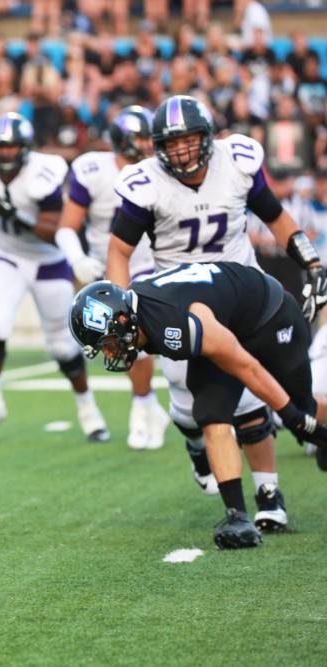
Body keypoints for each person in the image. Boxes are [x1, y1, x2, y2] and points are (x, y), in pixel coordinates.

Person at [107, 94, 327, 526]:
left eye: (189, 140)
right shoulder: (145, 183)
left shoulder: (237, 161)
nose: (182, 151)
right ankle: (196, 442)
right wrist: (123, 305)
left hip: (242, 291)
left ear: (207, 137)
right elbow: (119, 250)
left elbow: (277, 217)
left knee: (246, 400)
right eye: (171, 144)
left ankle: (268, 494)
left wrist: (312, 262)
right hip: (177, 299)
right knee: (191, 408)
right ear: (157, 147)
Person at [70, 263, 327, 548]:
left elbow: (247, 367)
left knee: (305, 410)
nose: (108, 352)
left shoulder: (173, 322)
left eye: (106, 343)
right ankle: (237, 517)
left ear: (120, 319)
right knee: (210, 414)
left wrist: (293, 417)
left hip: (268, 314)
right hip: (222, 323)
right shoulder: (142, 316)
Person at [0, 112, 108, 443]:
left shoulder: (45, 171)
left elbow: (56, 231)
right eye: (0, 147)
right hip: (6, 254)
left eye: (12, 147)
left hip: (48, 260)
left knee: (62, 345)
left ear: (25, 149)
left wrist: (19, 217)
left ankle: (88, 409)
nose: (6, 154)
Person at [55, 106, 169, 450]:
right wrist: (77, 259)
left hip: (151, 263)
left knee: (141, 338)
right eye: (140, 137)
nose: (146, 144)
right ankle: (146, 406)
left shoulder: (160, 170)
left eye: (148, 137)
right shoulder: (93, 170)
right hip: (104, 268)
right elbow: (66, 228)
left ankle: (143, 407)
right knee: (114, 341)